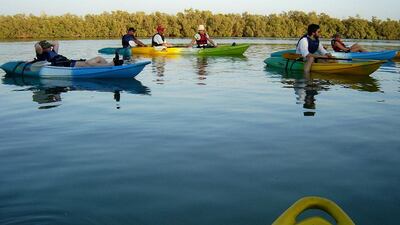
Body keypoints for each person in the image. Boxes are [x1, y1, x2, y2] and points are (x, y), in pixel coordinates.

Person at [35, 40, 123, 67]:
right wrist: (39, 43)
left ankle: (109, 66)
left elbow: (56, 42)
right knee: (88, 64)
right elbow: (37, 47)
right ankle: (112, 64)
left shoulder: (53, 51)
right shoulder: (41, 54)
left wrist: (47, 43)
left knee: (99, 58)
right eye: (47, 46)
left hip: (69, 61)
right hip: (66, 65)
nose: (50, 47)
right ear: (43, 48)